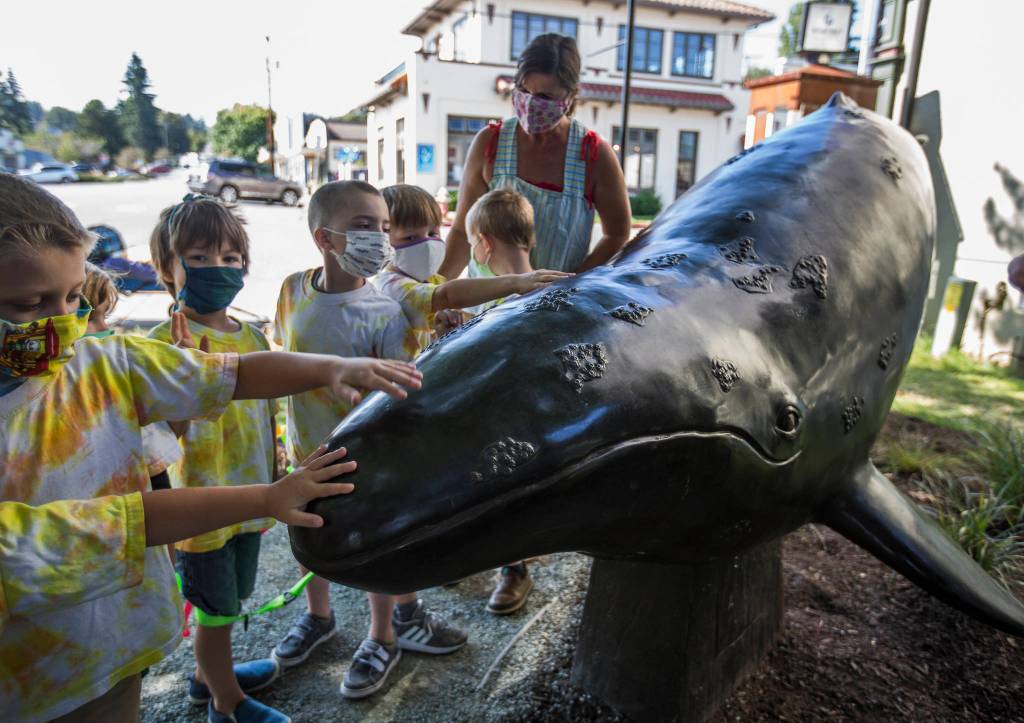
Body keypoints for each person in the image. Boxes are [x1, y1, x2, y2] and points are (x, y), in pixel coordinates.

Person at [0, 173, 421, 723]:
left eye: (75, 296)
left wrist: (333, 366)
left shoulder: (102, 361)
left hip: (120, 642)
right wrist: (267, 497)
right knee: (215, 611)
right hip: (28, 681)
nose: (64, 321)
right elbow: (120, 523)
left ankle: (214, 684)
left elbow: (237, 372)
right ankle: (222, 694)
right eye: (32, 303)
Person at [271, 180, 467, 700]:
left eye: (383, 227)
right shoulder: (292, 289)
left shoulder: (385, 310)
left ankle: (383, 635)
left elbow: (403, 387)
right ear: (323, 237)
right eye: (363, 226)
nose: (378, 239)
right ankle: (320, 617)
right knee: (307, 533)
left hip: (364, 458)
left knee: (372, 542)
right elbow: (281, 360)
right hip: (304, 451)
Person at [147, 196, 290, 721]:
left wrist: (277, 463)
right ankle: (227, 704)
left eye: (231, 258)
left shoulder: (252, 336)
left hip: (249, 493)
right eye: (200, 257)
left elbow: (266, 410)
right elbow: (155, 441)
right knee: (215, 611)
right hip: (198, 505)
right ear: (167, 268)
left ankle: (208, 677)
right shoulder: (161, 344)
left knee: (230, 600)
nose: (220, 268)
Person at [438, 33, 631, 280]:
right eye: (523, 90)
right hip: (484, 308)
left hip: (552, 310)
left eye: (545, 97)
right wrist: (436, 291)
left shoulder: (593, 155)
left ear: (571, 97)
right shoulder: (491, 144)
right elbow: (460, 232)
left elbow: (617, 234)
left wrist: (572, 285)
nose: (530, 104)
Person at [376, 183, 571, 349]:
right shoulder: (391, 285)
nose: (427, 244)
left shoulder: (430, 281)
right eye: (410, 237)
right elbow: (447, 296)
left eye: (434, 234)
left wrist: (442, 331)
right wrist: (516, 283)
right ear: (383, 240)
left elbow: (427, 336)